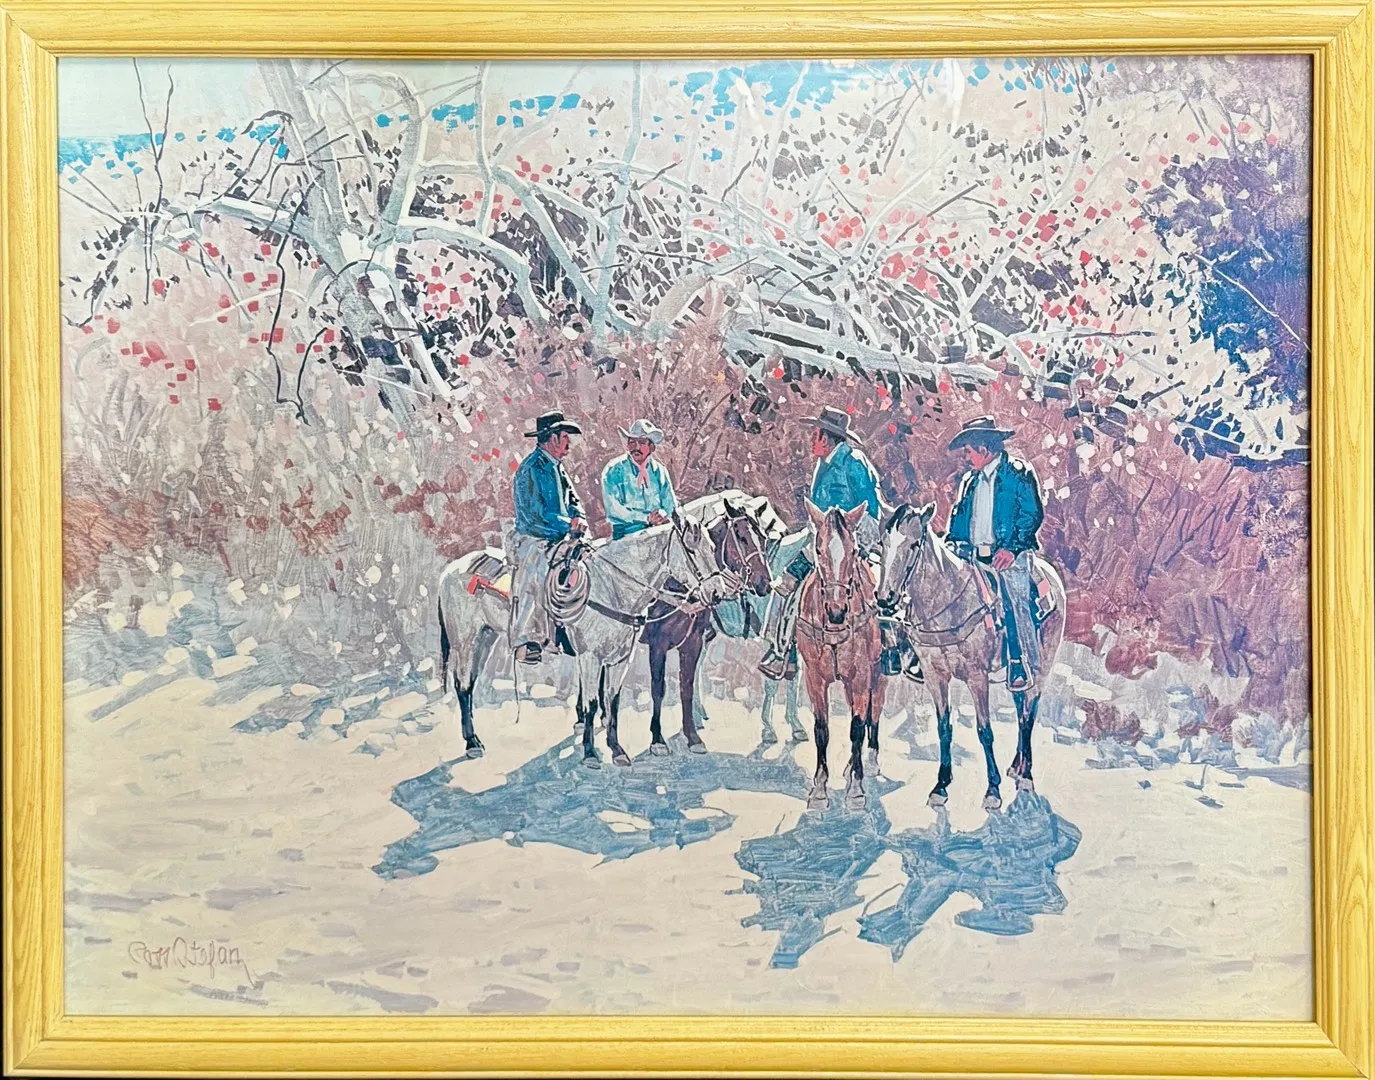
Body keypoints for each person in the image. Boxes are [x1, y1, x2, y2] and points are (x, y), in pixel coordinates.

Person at [758, 406, 882, 680]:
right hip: (820, 542)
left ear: (826, 438)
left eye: (814, 434)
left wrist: (852, 544)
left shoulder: (855, 463)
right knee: (785, 583)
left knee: (882, 589)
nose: (811, 439)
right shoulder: (822, 465)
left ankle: (890, 648)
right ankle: (782, 650)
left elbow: (871, 513)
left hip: (849, 545)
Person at [945, 415, 1046, 691]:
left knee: (1015, 600)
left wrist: (1012, 549)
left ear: (983, 449)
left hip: (1009, 556)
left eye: (968, 451)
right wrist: (952, 541)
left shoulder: (1018, 473)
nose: (966, 458)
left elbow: (1031, 514)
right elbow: (959, 517)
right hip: (972, 555)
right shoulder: (969, 480)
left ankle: (1021, 661)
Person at [509, 410, 587, 665]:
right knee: (535, 571)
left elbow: (573, 499)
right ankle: (525, 639)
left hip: (561, 536)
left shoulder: (558, 468)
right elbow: (534, 515)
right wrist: (567, 525)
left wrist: (578, 516)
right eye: (565, 437)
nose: (568, 443)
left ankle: (567, 625)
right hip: (534, 537)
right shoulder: (529, 469)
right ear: (553, 438)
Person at [601, 419, 678, 540]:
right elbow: (614, 509)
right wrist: (646, 518)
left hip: (658, 532)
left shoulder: (659, 471)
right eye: (632, 442)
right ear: (627, 445)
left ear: (651, 447)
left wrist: (663, 514)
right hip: (626, 537)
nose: (636, 447)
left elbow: (671, 506)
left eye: (641, 442)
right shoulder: (614, 470)